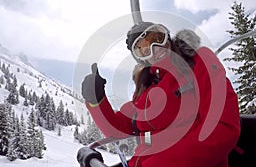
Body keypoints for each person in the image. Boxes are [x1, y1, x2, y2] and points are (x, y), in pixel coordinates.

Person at [81, 22, 241, 167]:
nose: (156, 49)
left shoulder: (198, 63)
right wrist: (96, 101)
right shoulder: (146, 89)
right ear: (141, 59)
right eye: (144, 49)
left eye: (157, 38)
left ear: (167, 37)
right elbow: (117, 128)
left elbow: (222, 129)